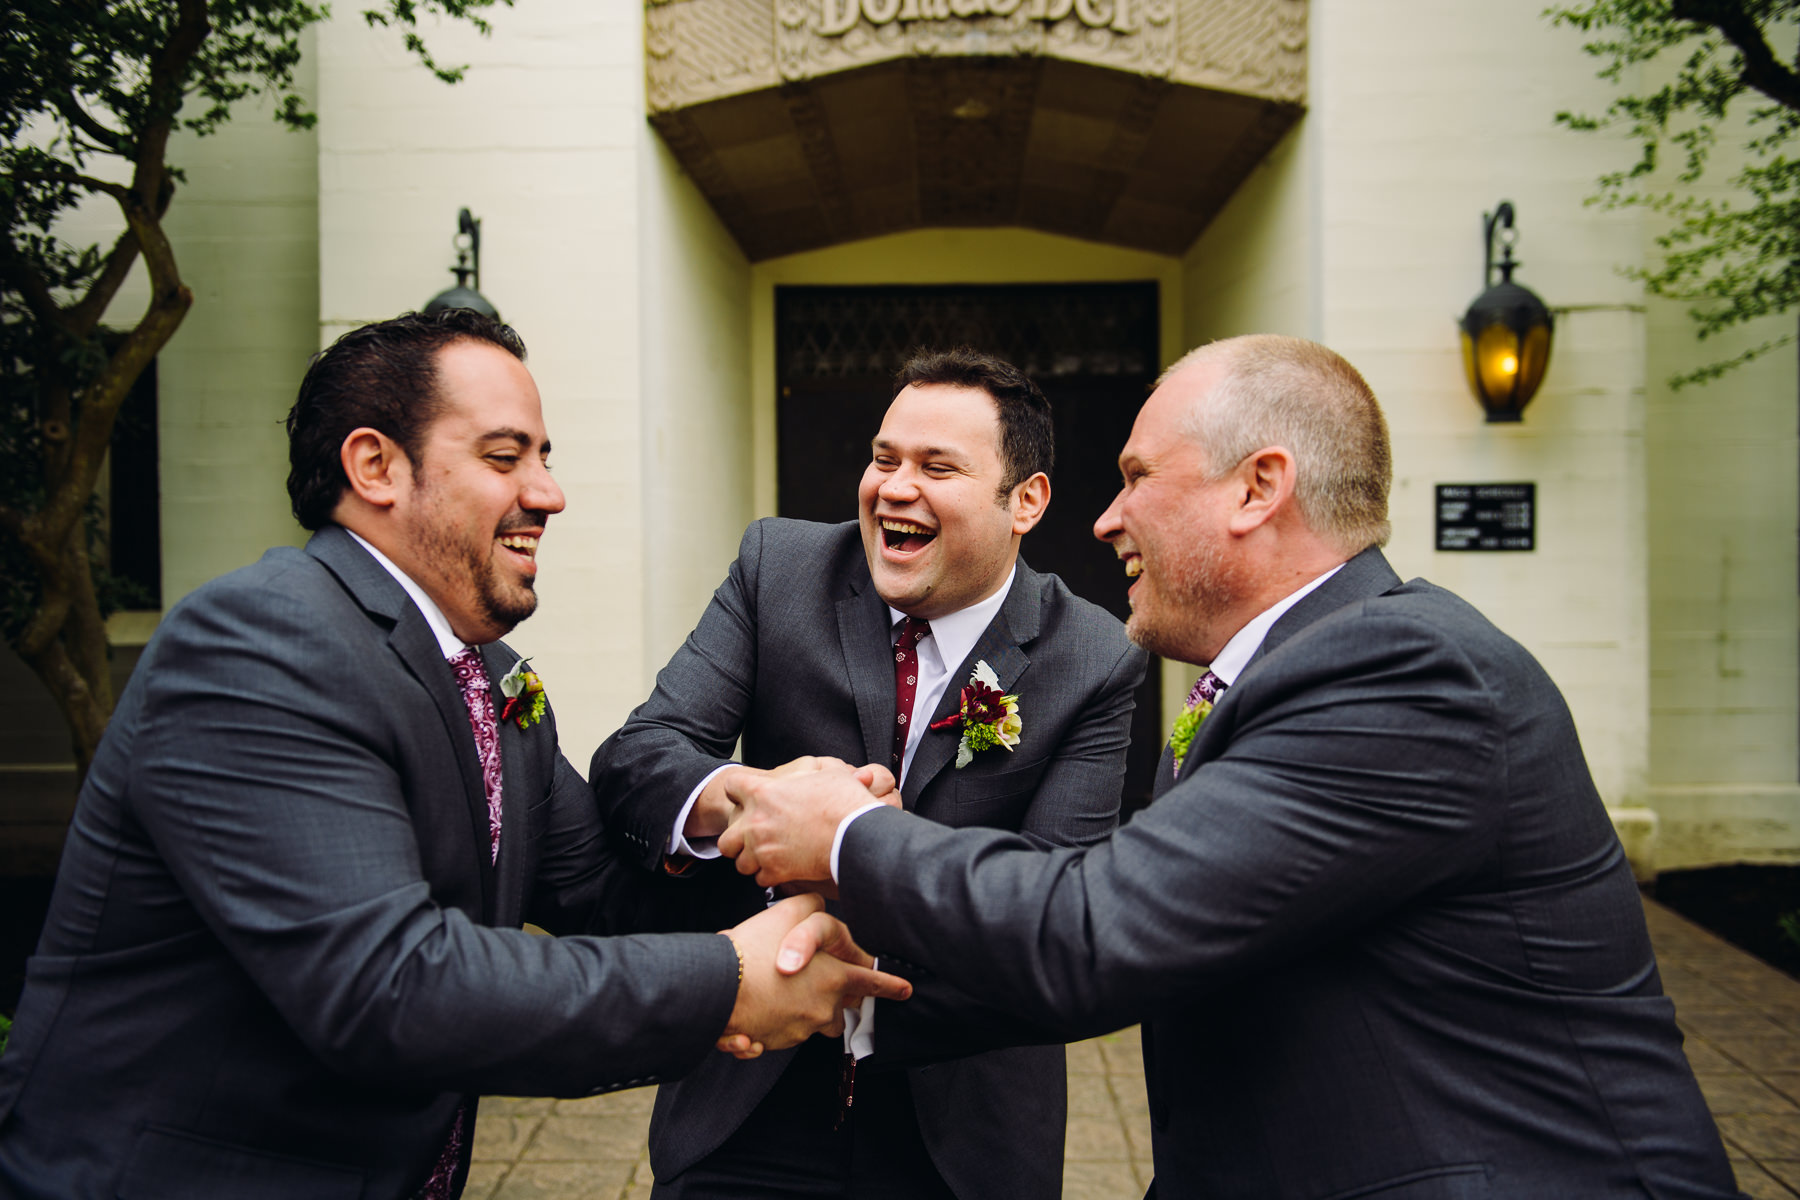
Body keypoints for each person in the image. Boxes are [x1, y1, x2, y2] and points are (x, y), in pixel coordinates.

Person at [719, 334, 1745, 1199]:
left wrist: (845, 832)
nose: (1105, 519)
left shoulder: (1406, 669)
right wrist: (809, 999)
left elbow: (1098, 926)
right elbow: (1165, 951)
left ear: (1259, 487)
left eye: (1135, 479)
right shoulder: (1290, 677)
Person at [0, 310, 907, 1200]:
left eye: (545, 458)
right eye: (505, 457)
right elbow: (390, 986)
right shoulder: (260, 640)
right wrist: (730, 984)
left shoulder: (494, 680)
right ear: (375, 467)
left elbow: (603, 892)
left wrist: (814, 860)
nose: (548, 493)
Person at [589, 347, 1147, 1199]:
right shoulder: (778, 570)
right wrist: (747, 798)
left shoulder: (1093, 656)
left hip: (960, 1121)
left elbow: (1054, 903)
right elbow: (639, 758)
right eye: (884, 458)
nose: (893, 487)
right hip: (749, 1091)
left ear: (1025, 501)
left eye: (937, 467)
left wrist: (860, 941)